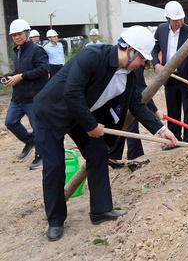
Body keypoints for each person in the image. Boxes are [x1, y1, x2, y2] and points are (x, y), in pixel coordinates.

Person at [33, 26, 178, 242]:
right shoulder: (92, 56)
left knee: (98, 152)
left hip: (80, 115)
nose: (143, 64)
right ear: (129, 50)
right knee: (55, 167)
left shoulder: (128, 75)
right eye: (142, 59)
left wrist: (161, 129)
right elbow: (71, 94)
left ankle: (100, 210)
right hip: (51, 112)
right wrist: (92, 126)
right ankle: (55, 220)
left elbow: (136, 105)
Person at [152, 1, 188, 146]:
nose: (179, 22)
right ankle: (175, 139)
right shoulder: (161, 30)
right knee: (172, 110)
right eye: (176, 20)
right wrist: (156, 63)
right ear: (168, 18)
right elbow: (154, 49)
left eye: (181, 19)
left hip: (186, 77)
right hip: (169, 77)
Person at [3, 19, 49, 170]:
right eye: (14, 35)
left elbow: (43, 70)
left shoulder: (37, 50)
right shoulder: (17, 50)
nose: (17, 37)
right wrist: (11, 77)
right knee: (10, 122)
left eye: (19, 34)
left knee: (38, 127)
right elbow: (19, 72)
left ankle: (40, 155)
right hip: (18, 97)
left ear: (27, 33)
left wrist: (21, 76)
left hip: (33, 97)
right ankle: (30, 141)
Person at [107, 65, 165, 171]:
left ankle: (112, 155)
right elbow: (142, 92)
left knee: (123, 125)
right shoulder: (135, 67)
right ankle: (133, 159)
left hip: (119, 99)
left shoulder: (131, 62)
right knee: (131, 124)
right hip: (123, 101)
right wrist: (155, 111)